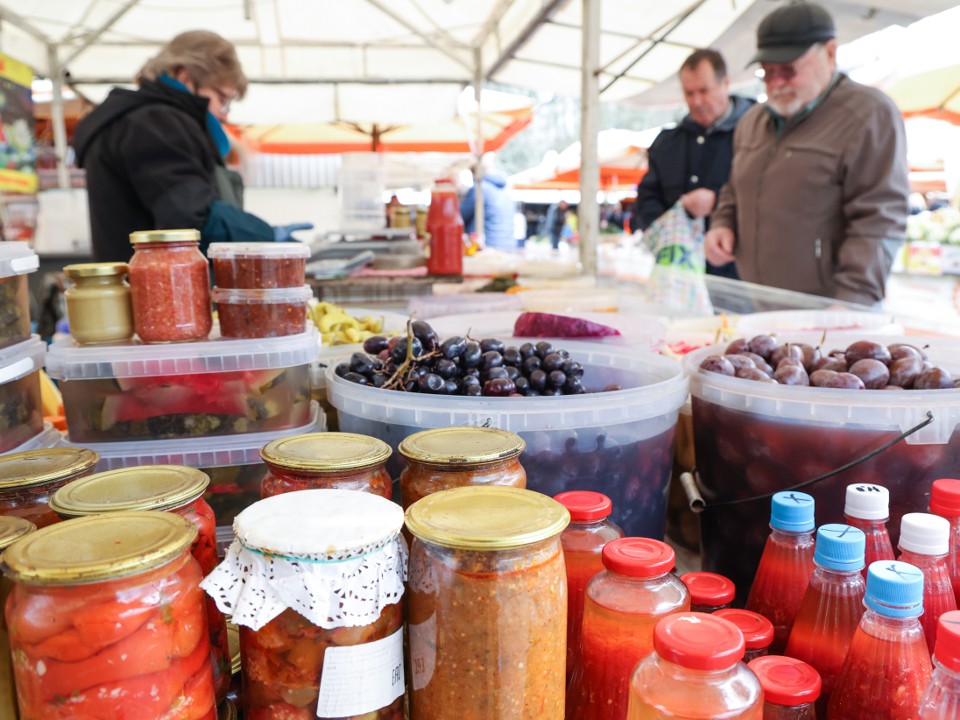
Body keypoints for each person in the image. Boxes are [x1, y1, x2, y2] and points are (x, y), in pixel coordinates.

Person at [704, 2, 909, 305]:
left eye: (788, 70)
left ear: (829, 53)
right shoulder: (752, 122)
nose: (775, 84)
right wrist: (722, 223)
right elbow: (734, 188)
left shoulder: (868, 115)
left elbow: (878, 218)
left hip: (830, 308)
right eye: (767, 72)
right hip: (758, 299)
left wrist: (854, 300)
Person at [74, 31, 309, 262]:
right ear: (186, 78)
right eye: (223, 100)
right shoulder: (154, 123)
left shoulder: (136, 120)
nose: (223, 114)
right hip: (159, 291)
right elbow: (191, 217)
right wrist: (264, 236)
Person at [634, 48, 754, 279]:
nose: (697, 101)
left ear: (725, 83)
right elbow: (646, 200)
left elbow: (769, 197)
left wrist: (717, 202)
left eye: (704, 91)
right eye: (689, 93)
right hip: (679, 279)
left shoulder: (756, 135)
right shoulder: (667, 143)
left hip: (741, 278)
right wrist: (676, 217)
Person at [460, 154, 517, 250]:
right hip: (508, 246)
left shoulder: (479, 189)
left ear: (474, 172)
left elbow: (460, 216)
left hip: (487, 247)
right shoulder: (505, 190)